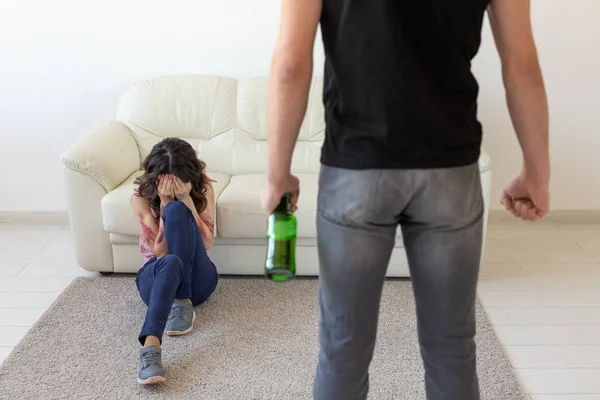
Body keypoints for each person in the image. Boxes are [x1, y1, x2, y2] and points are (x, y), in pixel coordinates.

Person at [261, 0, 549, 399]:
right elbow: (522, 66)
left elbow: (291, 64)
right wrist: (537, 173)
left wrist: (278, 174)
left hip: (355, 172)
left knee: (343, 348)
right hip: (450, 171)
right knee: (452, 347)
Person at [131, 138, 218, 385]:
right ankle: (150, 349)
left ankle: (183, 300)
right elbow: (160, 252)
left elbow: (207, 241)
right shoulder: (140, 197)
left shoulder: (203, 188)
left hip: (198, 281)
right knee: (170, 262)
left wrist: (186, 200)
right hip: (159, 279)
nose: (172, 186)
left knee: (179, 212)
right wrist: (167, 203)